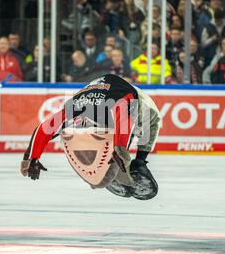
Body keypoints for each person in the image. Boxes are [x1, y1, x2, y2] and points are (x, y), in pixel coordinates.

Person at [20, 74, 161, 200]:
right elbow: (46, 129)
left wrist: (31, 157)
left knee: (148, 122)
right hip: (106, 98)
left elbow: (45, 128)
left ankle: (138, 162)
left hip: (119, 96)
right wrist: (32, 157)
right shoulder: (76, 107)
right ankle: (124, 164)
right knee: (123, 132)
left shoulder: (124, 102)